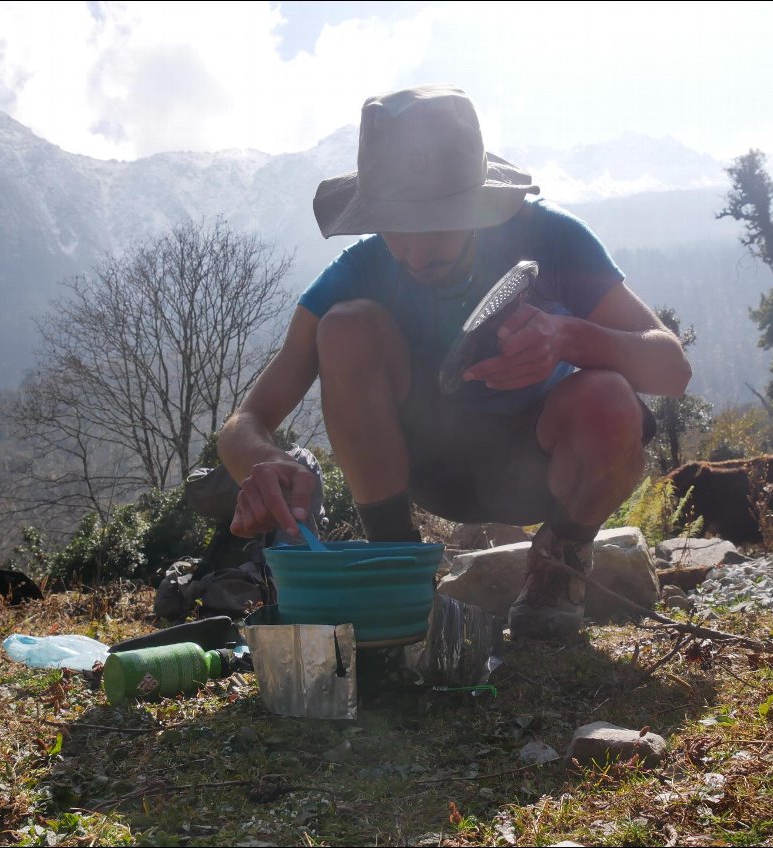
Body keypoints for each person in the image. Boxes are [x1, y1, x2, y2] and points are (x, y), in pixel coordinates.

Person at [218, 83, 691, 642]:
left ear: (479, 204)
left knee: (612, 398)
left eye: (438, 223)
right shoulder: (359, 271)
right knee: (344, 327)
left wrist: (569, 337)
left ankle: (559, 562)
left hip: (543, 472)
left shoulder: (552, 237)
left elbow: (671, 369)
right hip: (424, 469)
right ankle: (395, 562)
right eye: (396, 226)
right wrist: (265, 462)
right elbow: (243, 425)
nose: (416, 252)